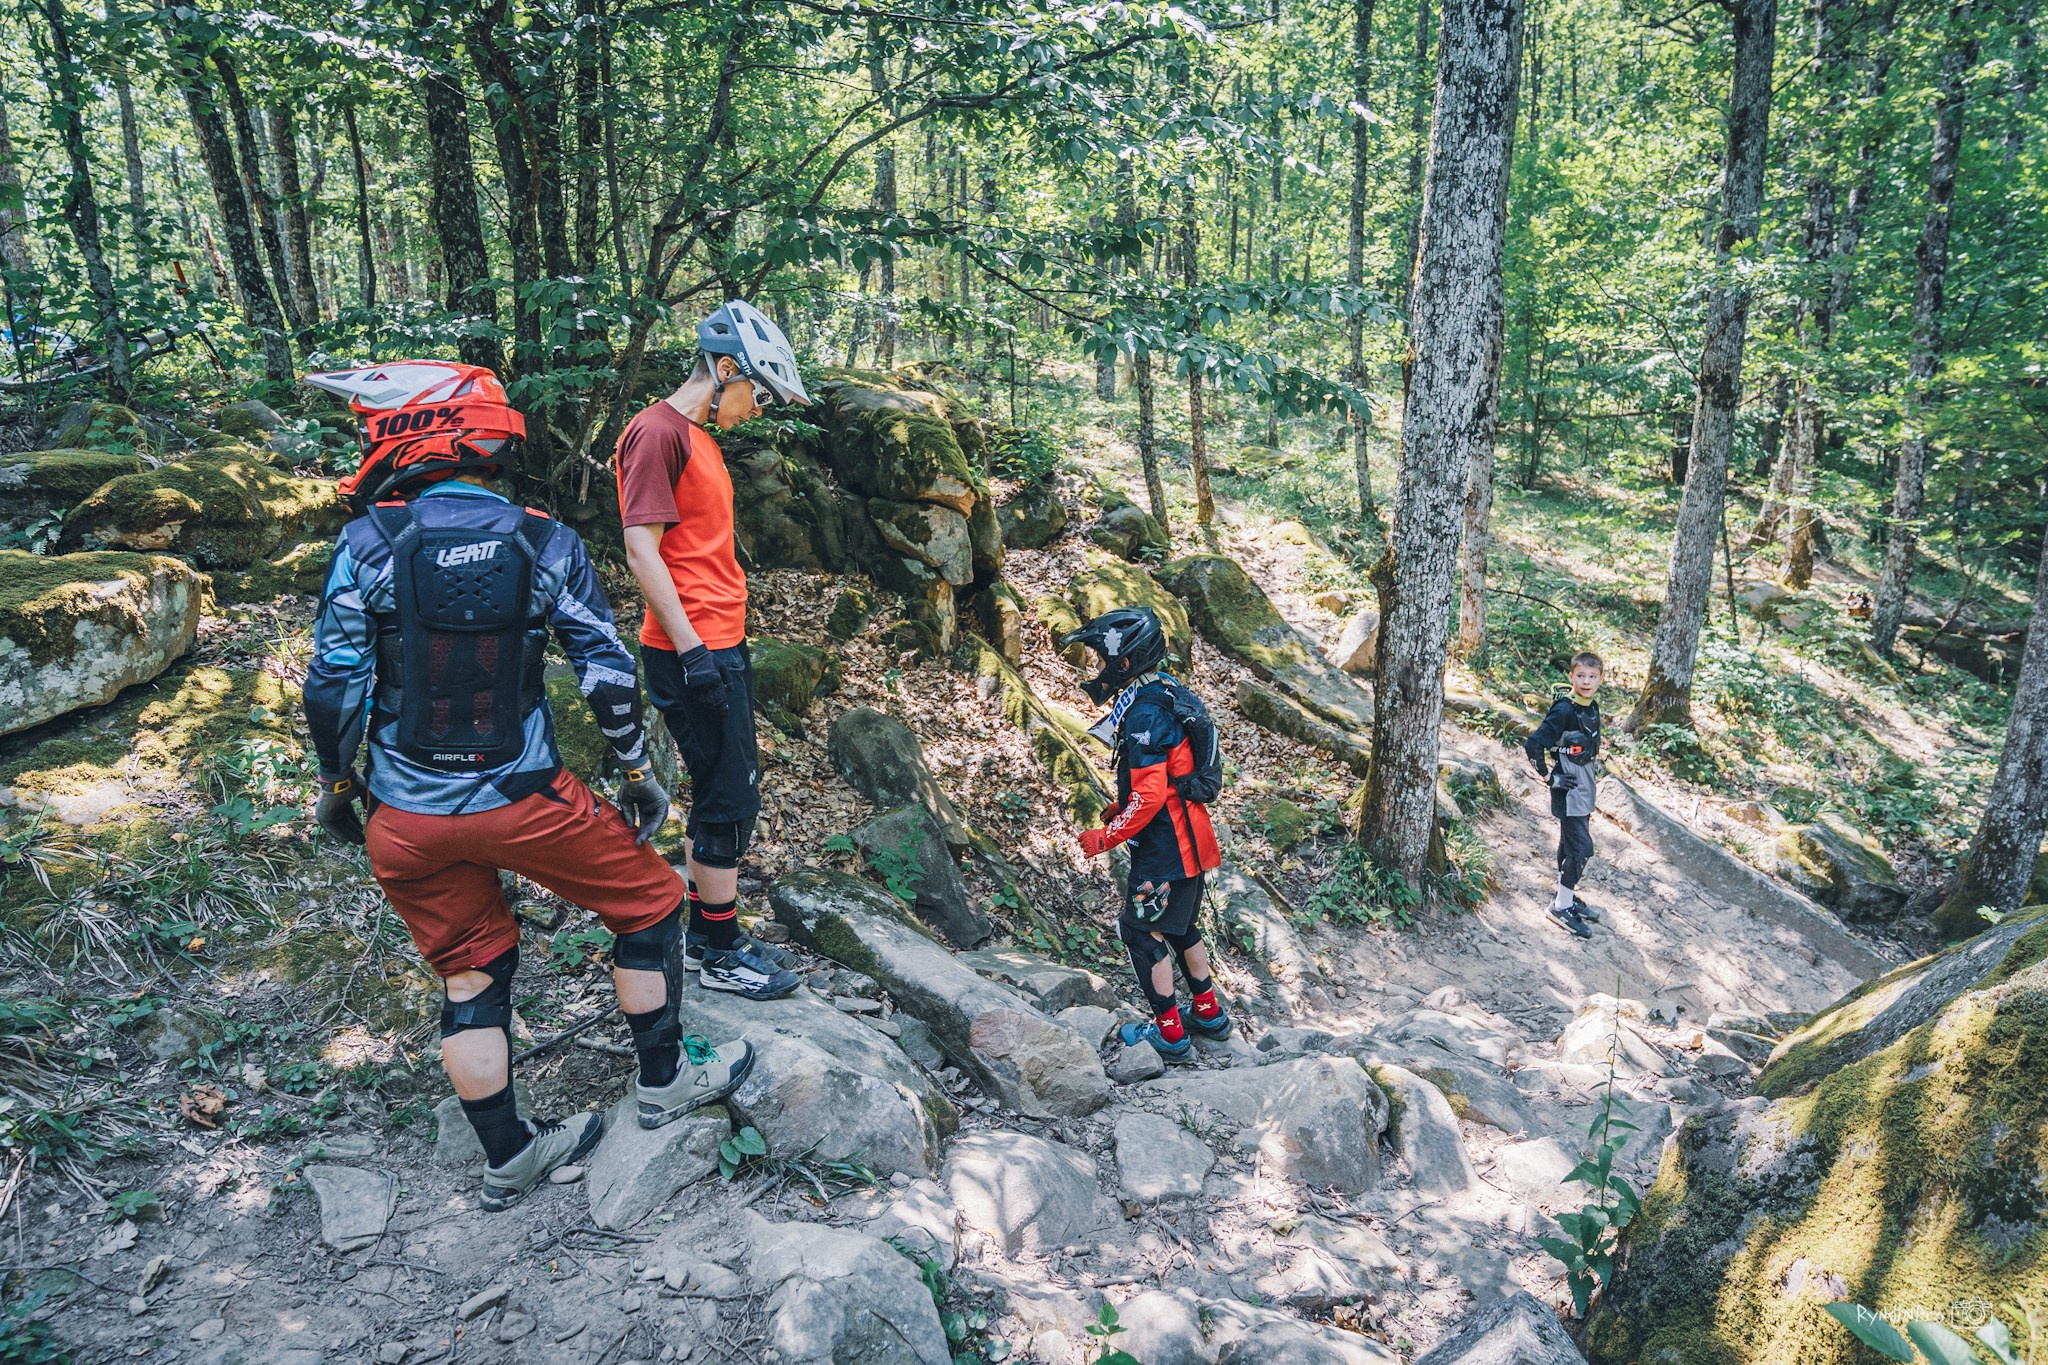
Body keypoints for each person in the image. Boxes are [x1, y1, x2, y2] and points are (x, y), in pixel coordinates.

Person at [301, 360, 754, 1212]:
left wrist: (337, 783)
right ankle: (663, 1083)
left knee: (469, 974)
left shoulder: (365, 543)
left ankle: (510, 1154)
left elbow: (331, 684)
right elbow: (607, 676)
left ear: (409, 437)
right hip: (527, 800)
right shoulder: (543, 539)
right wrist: (636, 774)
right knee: (655, 903)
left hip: (404, 815)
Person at [614, 301, 810, 1001]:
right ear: (725, 369)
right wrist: (695, 652)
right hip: (690, 646)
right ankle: (718, 948)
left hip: (719, 640)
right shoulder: (654, 433)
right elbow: (642, 550)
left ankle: (713, 931)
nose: (756, 408)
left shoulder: (699, 440)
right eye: (756, 392)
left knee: (728, 792)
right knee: (728, 797)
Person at [1066, 607, 1230, 1064]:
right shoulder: (1165, 692)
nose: (1097, 669)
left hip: (1165, 848)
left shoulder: (1142, 715)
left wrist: (1107, 835)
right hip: (1191, 841)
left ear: (1125, 662)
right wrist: (1127, 805)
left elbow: (1151, 795)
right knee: (1179, 927)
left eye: (1101, 659)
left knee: (1139, 931)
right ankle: (1209, 1014)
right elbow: (1162, 779)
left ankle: (1170, 1033)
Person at [1525, 651, 1606, 939]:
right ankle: (1560, 907)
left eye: (1592, 677)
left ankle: (1566, 896)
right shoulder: (1564, 710)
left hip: (1584, 790)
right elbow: (1534, 744)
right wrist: (1549, 776)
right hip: (1569, 791)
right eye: (1580, 676)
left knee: (1569, 844)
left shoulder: (1590, 706)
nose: (1586, 681)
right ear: (1570, 677)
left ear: (1600, 679)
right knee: (1581, 849)